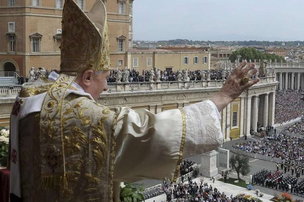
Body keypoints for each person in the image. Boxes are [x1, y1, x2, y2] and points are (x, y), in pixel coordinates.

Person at [8, 0, 258, 201]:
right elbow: (152, 133)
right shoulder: (88, 116)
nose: (106, 87)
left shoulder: (30, 95)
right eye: (104, 79)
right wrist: (223, 97)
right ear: (86, 76)